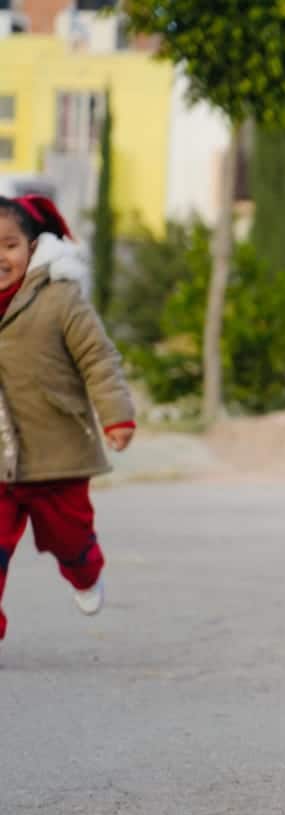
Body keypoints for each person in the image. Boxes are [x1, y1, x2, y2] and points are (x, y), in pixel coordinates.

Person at [0, 196, 136, 643]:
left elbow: (98, 358)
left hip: (57, 455)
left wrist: (116, 416)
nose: (1, 257)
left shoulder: (59, 297)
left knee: (69, 538)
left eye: (9, 246)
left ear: (32, 247)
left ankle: (85, 571)